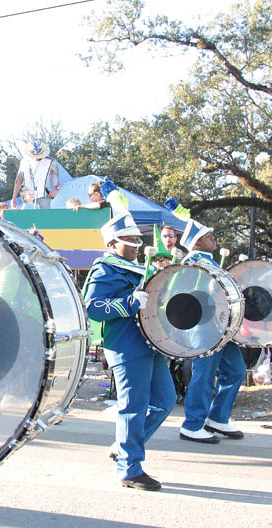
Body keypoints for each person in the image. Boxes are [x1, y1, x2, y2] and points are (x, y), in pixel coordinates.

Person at [83, 182, 175, 491]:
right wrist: (127, 303)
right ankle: (129, 468)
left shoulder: (138, 267)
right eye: (129, 239)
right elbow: (93, 307)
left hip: (151, 343)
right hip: (125, 346)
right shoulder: (105, 269)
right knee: (133, 407)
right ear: (112, 243)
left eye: (137, 239)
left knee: (165, 402)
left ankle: (123, 446)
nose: (136, 244)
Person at [174, 205, 246, 443]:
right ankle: (192, 424)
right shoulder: (193, 262)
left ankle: (217, 418)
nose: (212, 237)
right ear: (196, 243)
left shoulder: (209, 261)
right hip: (205, 325)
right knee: (204, 376)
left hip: (222, 327)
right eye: (207, 236)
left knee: (235, 371)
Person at [10, 141, 62, 209]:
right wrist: (14, 198)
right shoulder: (24, 162)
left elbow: (60, 178)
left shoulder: (51, 161)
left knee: (44, 217)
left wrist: (57, 189)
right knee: (27, 218)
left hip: (44, 197)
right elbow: (19, 180)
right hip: (28, 197)